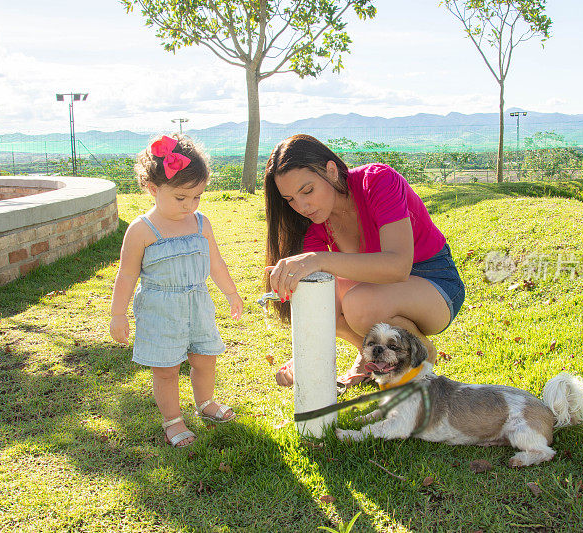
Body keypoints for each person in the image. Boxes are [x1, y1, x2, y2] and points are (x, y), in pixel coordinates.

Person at [264, 134, 465, 389]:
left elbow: (398, 266)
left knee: (358, 304)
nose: (301, 205)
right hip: (377, 290)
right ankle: (370, 355)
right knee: (324, 303)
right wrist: (303, 359)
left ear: (331, 170)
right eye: (290, 199)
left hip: (434, 281)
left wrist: (320, 258)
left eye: (307, 190)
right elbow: (328, 312)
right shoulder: (313, 225)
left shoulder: (378, 180)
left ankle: (419, 358)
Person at [110, 134, 243, 448]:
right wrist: (118, 314)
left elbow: (216, 262)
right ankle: (173, 420)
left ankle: (205, 403)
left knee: (205, 358)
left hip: (198, 304)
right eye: (181, 198)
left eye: (197, 196)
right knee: (167, 369)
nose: (190, 205)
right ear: (153, 189)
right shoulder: (142, 230)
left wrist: (231, 293)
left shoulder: (200, 223)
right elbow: (126, 275)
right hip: (161, 310)